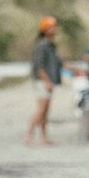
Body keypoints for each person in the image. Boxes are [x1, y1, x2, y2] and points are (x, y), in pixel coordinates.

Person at [24, 16, 63, 146]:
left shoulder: (51, 45)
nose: (54, 29)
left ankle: (44, 137)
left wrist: (76, 70)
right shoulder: (41, 45)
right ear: (45, 29)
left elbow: (59, 62)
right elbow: (39, 66)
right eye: (51, 27)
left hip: (48, 80)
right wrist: (47, 82)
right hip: (41, 81)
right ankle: (29, 134)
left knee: (46, 110)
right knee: (41, 109)